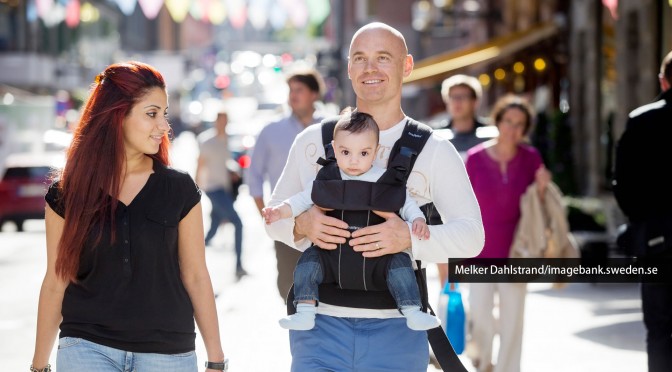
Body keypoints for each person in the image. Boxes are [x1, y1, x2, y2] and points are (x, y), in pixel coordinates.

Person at [264, 22, 484, 371]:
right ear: (349, 68)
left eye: (383, 57)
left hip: (398, 329)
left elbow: (472, 236)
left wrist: (408, 238)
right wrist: (302, 224)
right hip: (318, 328)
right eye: (360, 58)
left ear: (406, 66)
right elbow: (273, 220)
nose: (370, 68)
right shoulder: (312, 141)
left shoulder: (433, 149)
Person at [31, 61, 226, 372]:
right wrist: (38, 366)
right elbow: (56, 281)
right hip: (86, 346)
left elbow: (196, 276)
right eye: (152, 114)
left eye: (163, 114)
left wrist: (216, 360)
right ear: (116, 115)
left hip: (167, 352)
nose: (164, 126)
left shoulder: (179, 189)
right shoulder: (67, 192)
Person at [262, 109, 438, 331]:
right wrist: (279, 212)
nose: (354, 161)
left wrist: (418, 221)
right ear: (335, 149)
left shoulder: (385, 180)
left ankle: (413, 311)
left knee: (401, 264)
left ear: (375, 153)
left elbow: (407, 204)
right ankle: (305, 310)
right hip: (332, 256)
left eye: (363, 154)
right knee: (308, 261)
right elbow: (301, 200)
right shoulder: (328, 177)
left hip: (379, 258)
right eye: (346, 152)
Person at [464, 94, 550, 372]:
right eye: (508, 121)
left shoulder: (531, 158)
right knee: (481, 319)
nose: (512, 129)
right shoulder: (475, 159)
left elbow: (539, 207)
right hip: (479, 252)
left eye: (519, 124)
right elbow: (461, 205)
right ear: (498, 121)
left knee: (513, 322)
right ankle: (483, 364)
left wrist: (542, 188)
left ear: (525, 128)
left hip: (516, 252)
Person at [613, 50, 672, 372]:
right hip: (656, 236)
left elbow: (623, 182)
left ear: (663, 80)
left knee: (660, 328)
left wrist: (641, 221)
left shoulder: (642, 120)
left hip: (657, 241)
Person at [247, 69, 326, 299]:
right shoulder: (271, 131)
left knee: (326, 286)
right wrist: (267, 216)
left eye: (299, 90)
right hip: (287, 223)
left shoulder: (333, 127)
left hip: (328, 220)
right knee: (289, 286)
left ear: (314, 94)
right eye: (290, 90)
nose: (293, 96)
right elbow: (253, 177)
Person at [437, 74, 490, 288]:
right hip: (444, 216)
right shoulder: (435, 137)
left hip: (483, 214)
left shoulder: (490, 136)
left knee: (481, 287)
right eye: (453, 97)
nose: (457, 102)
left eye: (463, 97)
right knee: (449, 286)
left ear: (475, 101)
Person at [196, 110, 246, 279]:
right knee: (238, 223)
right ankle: (239, 266)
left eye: (226, 121)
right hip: (212, 189)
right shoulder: (207, 141)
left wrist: (233, 172)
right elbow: (200, 164)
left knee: (212, 230)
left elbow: (225, 162)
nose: (223, 124)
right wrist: (195, 190)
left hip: (223, 189)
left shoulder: (225, 140)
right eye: (221, 121)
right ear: (216, 121)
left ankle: (188, 258)